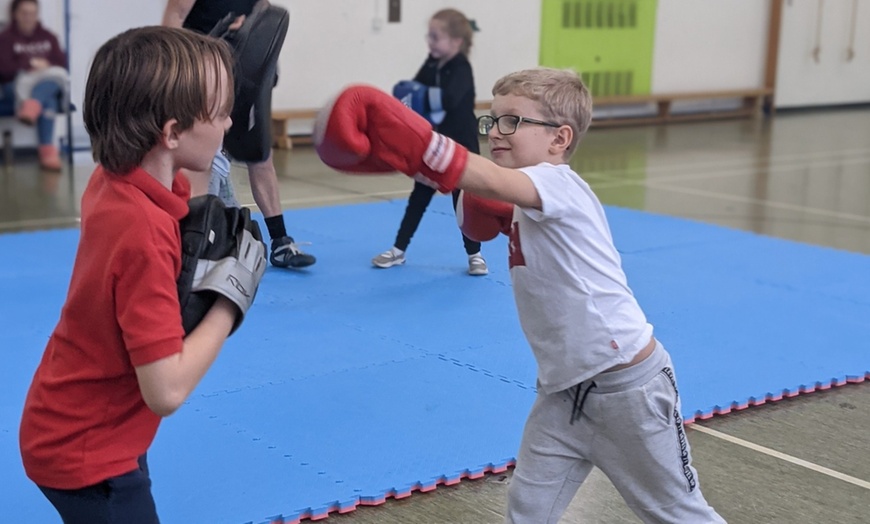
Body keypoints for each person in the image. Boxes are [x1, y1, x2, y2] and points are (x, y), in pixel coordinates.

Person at [313, 68, 727, 522]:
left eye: (512, 122)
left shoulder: (558, 184)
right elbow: (477, 190)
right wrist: (402, 158)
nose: (496, 133)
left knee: (678, 515)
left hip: (628, 389)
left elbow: (485, 180)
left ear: (559, 139)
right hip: (561, 393)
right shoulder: (526, 199)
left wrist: (413, 141)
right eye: (491, 121)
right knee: (527, 510)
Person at [19, 26, 260, 523]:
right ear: (171, 133)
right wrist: (228, 299)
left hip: (76, 419)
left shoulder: (114, 179)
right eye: (219, 113)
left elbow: (177, 173)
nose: (229, 121)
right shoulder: (143, 237)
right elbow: (166, 390)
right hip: (88, 454)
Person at [162, 0, 316, 269]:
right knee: (203, 162)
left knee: (260, 155)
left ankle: (280, 242)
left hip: (241, 74)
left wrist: (266, 63)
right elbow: (173, 20)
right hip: (202, 76)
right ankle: (188, 242)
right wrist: (178, 74)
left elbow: (264, 19)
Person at [372, 8, 488, 276]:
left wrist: (420, 97)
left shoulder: (460, 67)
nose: (430, 42)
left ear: (455, 42)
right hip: (434, 144)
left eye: (436, 37)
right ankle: (398, 250)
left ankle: (475, 254)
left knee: (462, 200)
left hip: (461, 146)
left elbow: (448, 101)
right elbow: (410, 91)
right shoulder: (432, 63)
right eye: (430, 36)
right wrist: (406, 102)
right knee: (420, 196)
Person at [0, 0, 69, 170]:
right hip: (16, 84)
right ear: (15, 14)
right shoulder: (5, 38)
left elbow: (62, 64)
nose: (28, 17)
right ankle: (47, 153)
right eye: (24, 13)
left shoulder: (48, 36)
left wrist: (45, 65)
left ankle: (32, 106)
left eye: (32, 13)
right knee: (49, 99)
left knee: (53, 80)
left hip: (46, 80)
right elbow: (3, 70)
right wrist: (30, 65)